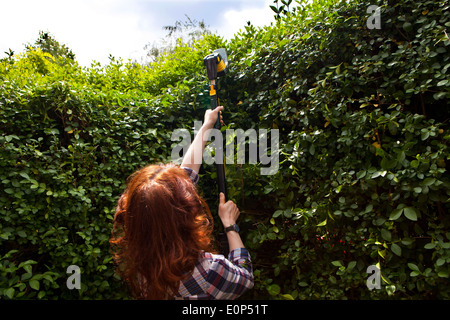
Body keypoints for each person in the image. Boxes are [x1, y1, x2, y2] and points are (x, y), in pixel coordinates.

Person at [110, 106, 254, 300]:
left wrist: (207, 125)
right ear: (182, 216)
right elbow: (244, 276)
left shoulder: (144, 265)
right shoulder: (209, 270)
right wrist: (230, 226)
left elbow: (184, 176)